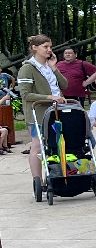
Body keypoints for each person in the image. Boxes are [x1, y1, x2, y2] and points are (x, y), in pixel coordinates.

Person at [18, 34, 65, 189]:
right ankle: (37, 181)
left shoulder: (48, 66)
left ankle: (56, 177)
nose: (49, 50)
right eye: (45, 47)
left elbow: (64, 86)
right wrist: (49, 97)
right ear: (34, 48)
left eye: (50, 47)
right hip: (37, 114)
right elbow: (25, 94)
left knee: (57, 144)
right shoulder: (27, 68)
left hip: (56, 112)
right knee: (37, 146)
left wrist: (54, 68)